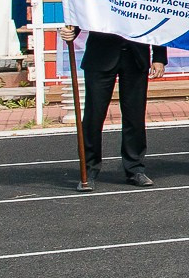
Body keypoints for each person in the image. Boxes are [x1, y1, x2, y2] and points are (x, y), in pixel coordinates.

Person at [64, 26, 168, 186]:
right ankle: (88, 170)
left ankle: (135, 169)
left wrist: (159, 57)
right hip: (100, 54)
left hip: (136, 56)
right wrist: (72, 29)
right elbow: (83, 6)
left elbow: (153, 14)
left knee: (135, 117)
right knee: (94, 117)